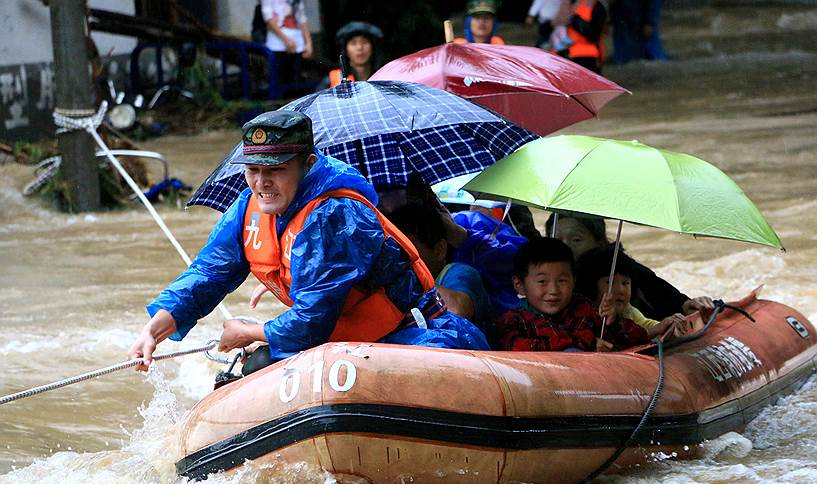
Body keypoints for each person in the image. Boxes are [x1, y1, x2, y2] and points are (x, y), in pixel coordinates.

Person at [128, 111, 489, 375]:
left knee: (264, 356)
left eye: (276, 170)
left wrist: (249, 331)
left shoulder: (336, 214)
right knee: (257, 366)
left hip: (411, 337)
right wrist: (154, 330)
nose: (261, 183)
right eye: (253, 171)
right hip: (342, 343)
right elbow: (209, 272)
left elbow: (312, 319)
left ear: (308, 163)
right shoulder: (248, 208)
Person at [545, 212, 715, 319]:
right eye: (557, 240)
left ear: (600, 242)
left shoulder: (616, 266)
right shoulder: (543, 273)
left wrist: (684, 304)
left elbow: (655, 286)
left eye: (576, 240)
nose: (565, 247)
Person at [496, 238, 649, 352]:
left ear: (574, 281)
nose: (554, 290)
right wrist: (581, 343)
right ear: (520, 286)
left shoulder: (585, 309)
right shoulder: (513, 320)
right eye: (542, 281)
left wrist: (613, 321)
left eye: (562, 281)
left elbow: (639, 338)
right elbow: (517, 348)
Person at [387, 203, 494, 335]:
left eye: (408, 252)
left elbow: (457, 310)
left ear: (439, 250)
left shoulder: (461, 272)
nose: (400, 259)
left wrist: (409, 276)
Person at [577, 246, 688, 340]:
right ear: (590, 285)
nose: (620, 290)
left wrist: (667, 324)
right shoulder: (583, 312)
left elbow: (644, 325)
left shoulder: (628, 310)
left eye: (625, 283)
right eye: (610, 282)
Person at [261, 0, 313, 84]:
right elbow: (268, 19)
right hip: (277, 45)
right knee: (281, 80)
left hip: (298, 43)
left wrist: (309, 43)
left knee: (297, 80)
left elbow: (301, 18)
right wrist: (286, 40)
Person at [551, 0, 608, 74]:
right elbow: (555, 23)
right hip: (565, 52)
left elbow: (593, 34)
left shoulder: (596, 6)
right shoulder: (570, 3)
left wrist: (574, 19)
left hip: (585, 56)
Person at [328, 22, 383, 88]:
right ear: (346, 50)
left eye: (364, 42)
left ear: (372, 48)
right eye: (353, 43)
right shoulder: (333, 80)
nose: (360, 47)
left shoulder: (384, 77)